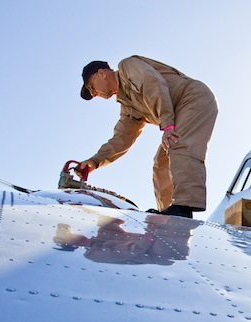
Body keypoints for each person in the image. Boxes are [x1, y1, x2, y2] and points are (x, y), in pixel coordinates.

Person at [77, 56, 218, 218]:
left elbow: (154, 85)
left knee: (177, 145)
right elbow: (122, 138)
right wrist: (95, 161)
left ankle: (184, 206)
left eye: (90, 86)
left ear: (101, 73)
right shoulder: (128, 106)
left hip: (193, 97)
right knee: (161, 163)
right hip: (177, 114)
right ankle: (167, 214)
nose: (94, 93)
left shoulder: (128, 67)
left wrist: (167, 125)